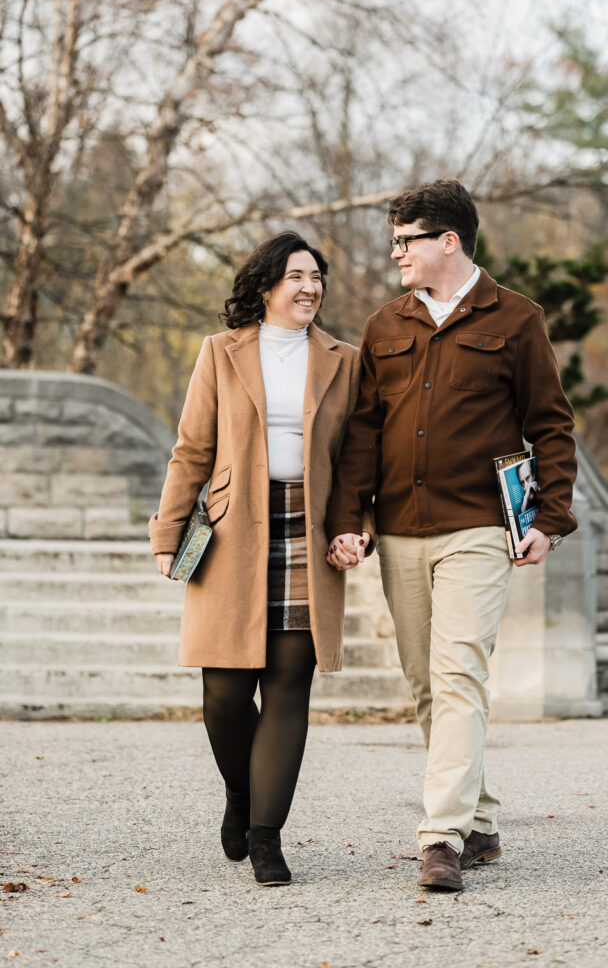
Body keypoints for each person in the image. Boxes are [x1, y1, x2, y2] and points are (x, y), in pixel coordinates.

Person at [326, 180, 578, 892]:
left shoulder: (517, 319)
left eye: (406, 240)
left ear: (448, 241)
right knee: (426, 682)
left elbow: (551, 425)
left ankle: (441, 837)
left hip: (477, 528)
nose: (396, 252)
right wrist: (351, 519)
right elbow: (364, 431)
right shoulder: (384, 326)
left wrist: (550, 520)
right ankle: (483, 820)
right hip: (401, 530)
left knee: (460, 669)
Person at [150, 231, 371, 887]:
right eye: (297, 276)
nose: (310, 287)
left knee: (287, 687)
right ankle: (242, 796)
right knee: (222, 693)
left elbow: (360, 459)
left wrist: (355, 525)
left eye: (317, 277)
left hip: (310, 526)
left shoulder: (345, 360)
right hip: (231, 530)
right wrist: (167, 536)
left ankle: (268, 837)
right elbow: (191, 448)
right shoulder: (220, 353)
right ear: (267, 285)